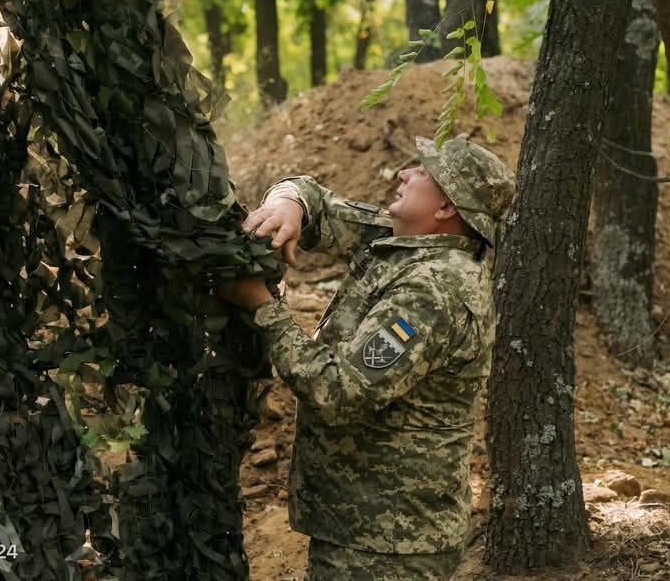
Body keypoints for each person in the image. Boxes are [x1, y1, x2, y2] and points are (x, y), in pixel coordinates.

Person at [217, 134, 516, 580]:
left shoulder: (435, 289)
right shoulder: (407, 241)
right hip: (364, 527)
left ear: (445, 207)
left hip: (389, 544)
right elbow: (315, 200)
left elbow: (339, 391)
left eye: (422, 172)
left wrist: (261, 305)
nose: (404, 173)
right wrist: (287, 204)